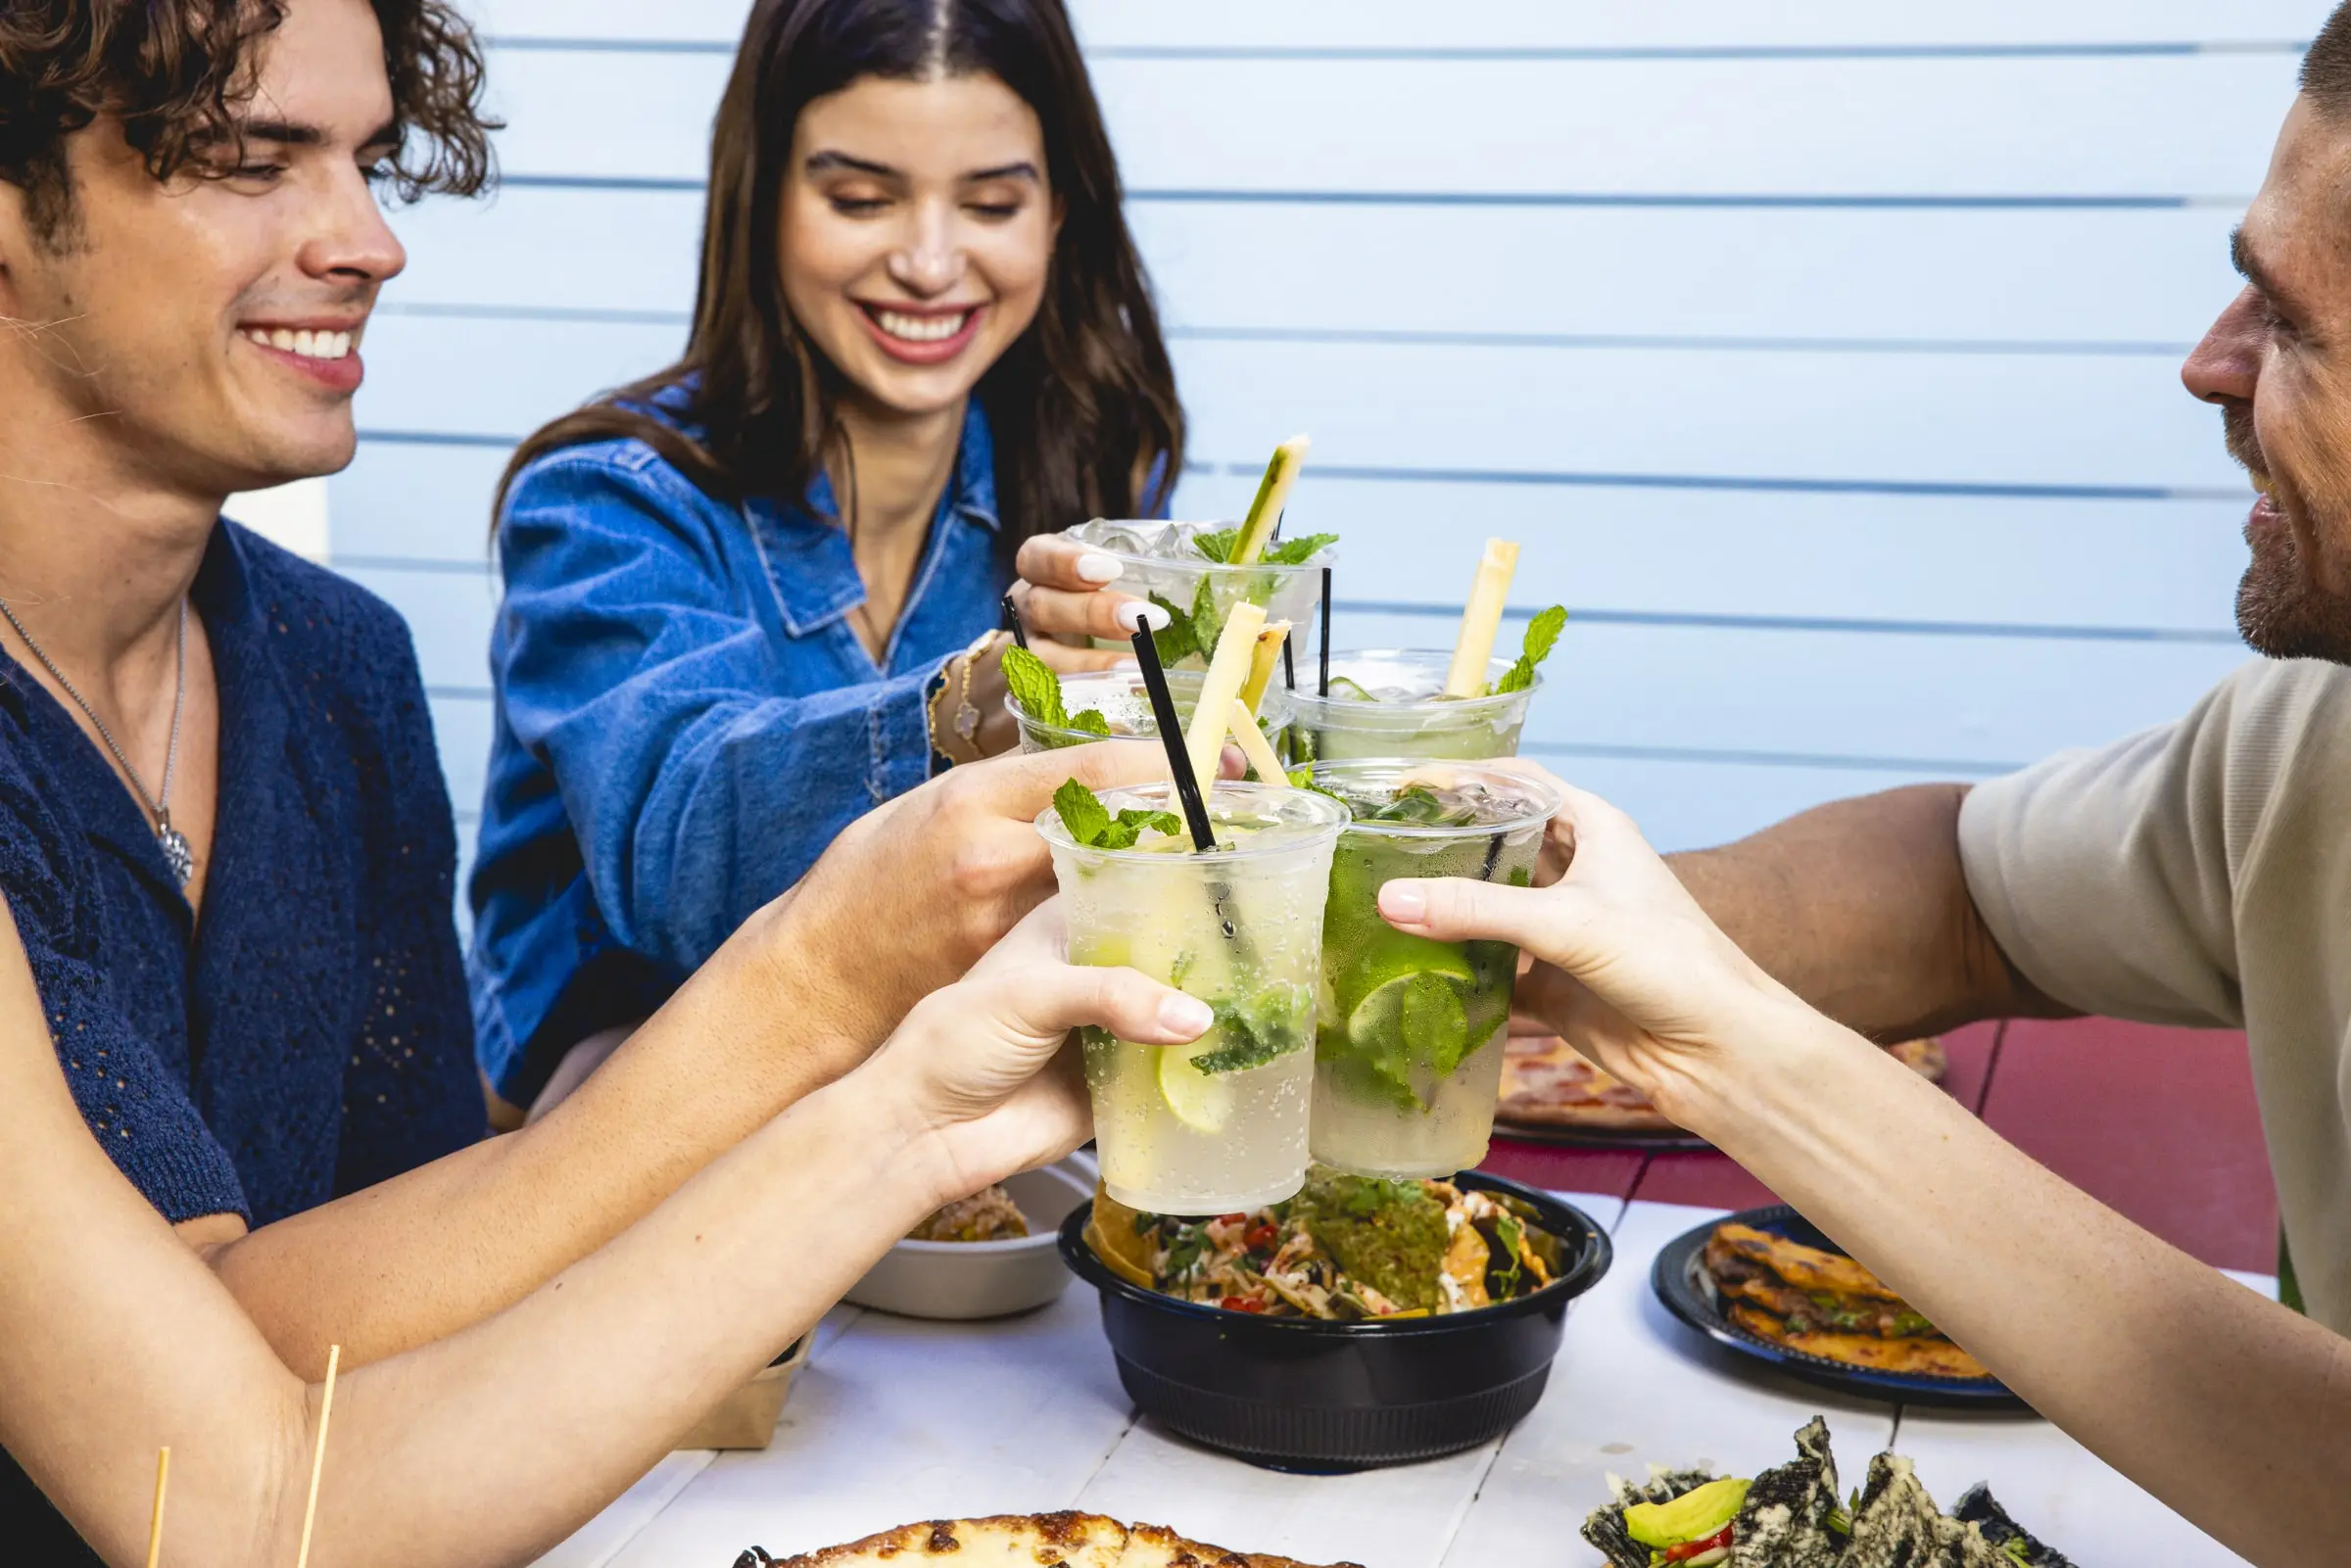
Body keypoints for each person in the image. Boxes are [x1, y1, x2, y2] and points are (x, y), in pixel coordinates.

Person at [0, 0, 1166, 1553]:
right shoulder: (613, 503)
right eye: (249, 158)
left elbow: (410, 1295)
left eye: (370, 161)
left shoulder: (339, 666)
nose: (369, 243)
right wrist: (830, 981)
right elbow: (228, 1468)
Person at [1650, 5, 2351, 1338]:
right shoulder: (2311, 741)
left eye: (2295, 323)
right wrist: (1566, 917)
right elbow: (1961, 893)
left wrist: (1745, 1061)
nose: (2210, 363)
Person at [0, 892, 1212, 1567]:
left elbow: (281, 1479)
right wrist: (821, 986)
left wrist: (916, 1127)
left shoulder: (321, 646)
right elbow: (252, 1507)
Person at [467, 0, 1181, 1119]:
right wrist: (987, 704)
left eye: (992, 203)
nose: (931, 262)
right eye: (859, 199)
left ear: (1059, 217)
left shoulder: (1090, 488)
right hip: (618, 1131)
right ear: (762, 199)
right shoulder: (606, 505)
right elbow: (684, 849)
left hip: (970, 1143)